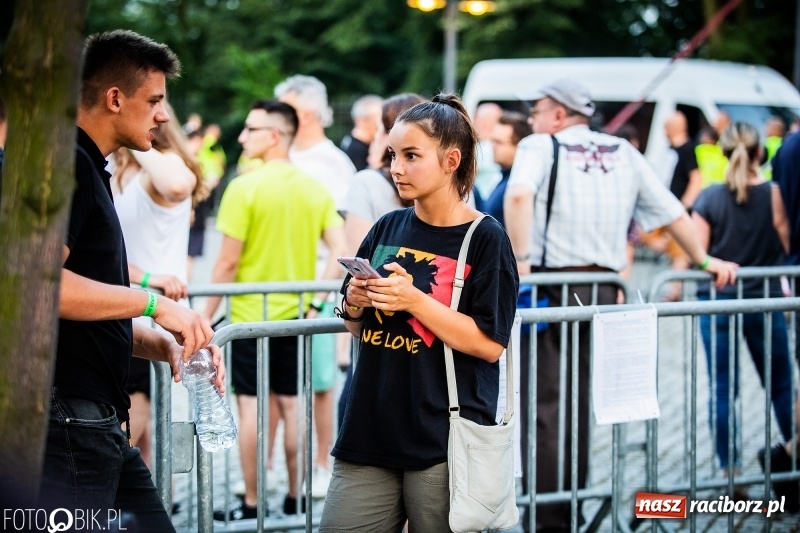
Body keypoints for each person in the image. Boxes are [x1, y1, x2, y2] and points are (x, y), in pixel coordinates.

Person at [503, 77, 737, 532]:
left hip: (551, 285)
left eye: (536, 111)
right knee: (576, 403)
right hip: (604, 288)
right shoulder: (622, 151)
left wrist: (523, 261)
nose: (530, 120)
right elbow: (671, 210)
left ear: (558, 115)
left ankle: (550, 519)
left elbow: (517, 194)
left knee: (546, 406)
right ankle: (571, 504)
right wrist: (704, 260)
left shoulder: (539, 146)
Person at [38, 29, 219, 531]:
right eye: (155, 101)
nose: (163, 115)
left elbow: (89, 309)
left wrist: (165, 345)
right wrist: (156, 305)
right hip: (71, 419)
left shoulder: (86, 166)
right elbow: (42, 288)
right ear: (115, 98)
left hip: (95, 421)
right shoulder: (69, 166)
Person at [319, 94, 519, 531]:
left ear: (451, 161)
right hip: (368, 428)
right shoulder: (387, 226)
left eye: (411, 156)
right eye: (393, 154)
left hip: (443, 440)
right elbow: (354, 324)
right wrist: (355, 300)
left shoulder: (485, 238)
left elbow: (490, 345)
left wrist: (414, 300)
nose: (396, 167)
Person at [203, 100, 346, 520]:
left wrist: (204, 315)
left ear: (275, 135)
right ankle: (295, 499)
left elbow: (226, 263)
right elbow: (340, 250)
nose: (242, 136)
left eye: (251, 129)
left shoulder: (244, 187)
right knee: (293, 405)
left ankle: (251, 503)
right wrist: (315, 301)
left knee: (251, 408)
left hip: (249, 319)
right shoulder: (313, 188)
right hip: (294, 319)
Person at [692, 121, 793, 496]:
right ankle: (793, 457)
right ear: (759, 152)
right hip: (764, 301)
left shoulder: (710, 197)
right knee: (780, 385)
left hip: (719, 301)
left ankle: (729, 471)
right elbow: (786, 242)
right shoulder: (775, 194)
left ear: (722, 151)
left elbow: (698, 254)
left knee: (722, 389)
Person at [112, 101, 208, 470]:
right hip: (124, 305)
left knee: (139, 423)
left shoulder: (160, 168)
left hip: (156, 314)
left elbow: (179, 185)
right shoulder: (114, 170)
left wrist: (131, 136)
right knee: (142, 436)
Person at [275, 74, 356, 498]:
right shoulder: (280, 156)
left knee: (321, 383)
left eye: (285, 108)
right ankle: (271, 471)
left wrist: (321, 294)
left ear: (305, 113)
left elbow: (340, 240)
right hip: (276, 288)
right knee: (275, 384)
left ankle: (322, 464)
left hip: (315, 292)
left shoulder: (331, 164)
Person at [337, 92, 424, 430]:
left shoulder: (367, 183)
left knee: (358, 414)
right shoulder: (456, 187)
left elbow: (356, 256)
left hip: (380, 332)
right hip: (422, 338)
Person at [639, 110, 702, 301]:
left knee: (679, 252)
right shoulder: (672, 150)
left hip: (676, 210)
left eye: (666, 127)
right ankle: (671, 288)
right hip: (666, 208)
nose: (663, 131)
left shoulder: (687, 149)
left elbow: (696, 179)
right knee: (646, 235)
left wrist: (684, 205)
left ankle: (674, 291)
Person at [187, 123, 226, 280]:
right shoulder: (208, 146)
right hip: (197, 197)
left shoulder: (210, 149)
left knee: (191, 246)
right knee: (191, 245)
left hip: (199, 197)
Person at [340, 94, 383, 171]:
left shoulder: (349, 143)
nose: (381, 125)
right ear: (362, 121)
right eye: (379, 120)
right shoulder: (356, 151)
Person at [472, 101, 503, 199]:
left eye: (475, 118)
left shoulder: (482, 149)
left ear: (481, 122)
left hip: (482, 203)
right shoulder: (500, 147)